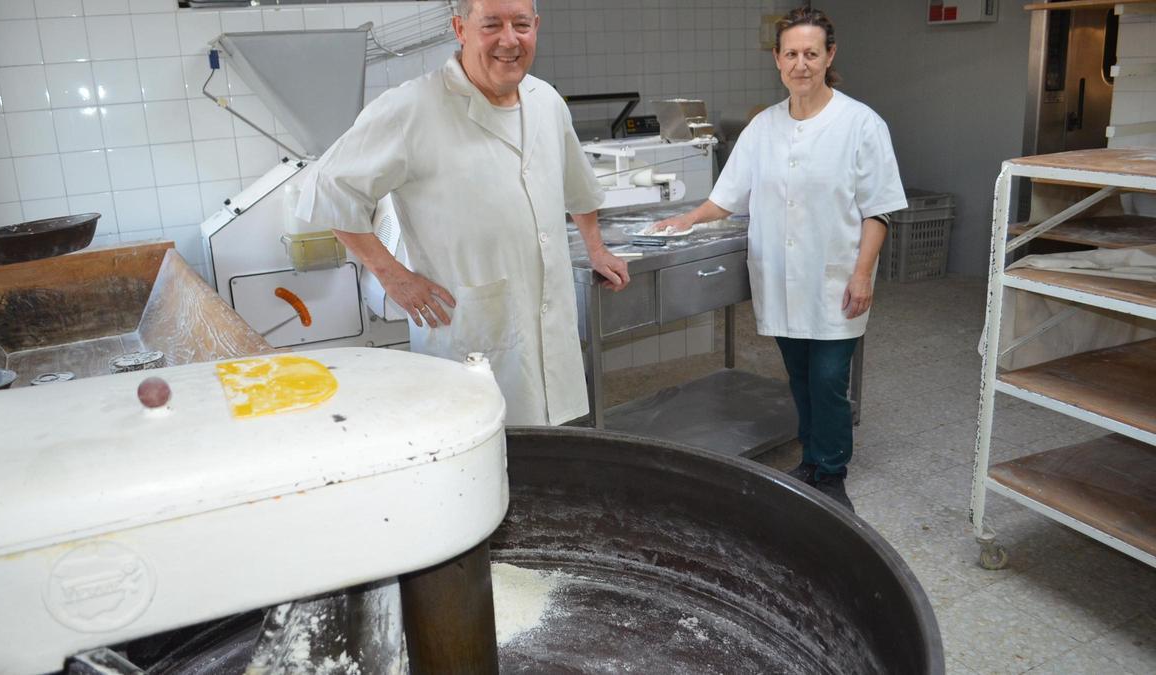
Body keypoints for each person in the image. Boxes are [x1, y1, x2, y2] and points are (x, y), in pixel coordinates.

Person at [295, 0, 630, 426]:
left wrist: (596, 249)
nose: (509, 39)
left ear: (536, 27)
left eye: (521, 25)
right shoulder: (412, 107)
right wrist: (392, 275)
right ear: (461, 28)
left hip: (547, 321)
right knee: (480, 457)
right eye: (491, 24)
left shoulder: (546, 100)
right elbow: (328, 189)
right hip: (469, 329)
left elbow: (577, 184)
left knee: (553, 455)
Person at [654, 7, 906, 510]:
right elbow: (728, 196)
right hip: (782, 279)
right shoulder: (763, 126)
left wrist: (862, 275)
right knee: (799, 375)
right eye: (791, 53)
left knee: (830, 378)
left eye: (811, 53)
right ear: (777, 59)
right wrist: (685, 220)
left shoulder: (860, 124)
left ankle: (831, 471)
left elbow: (879, 211)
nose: (801, 64)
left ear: (829, 56)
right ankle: (811, 460)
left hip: (837, 276)